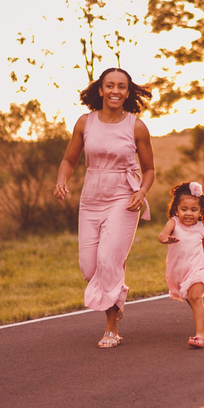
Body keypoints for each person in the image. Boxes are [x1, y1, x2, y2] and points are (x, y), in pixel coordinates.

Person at [55, 67, 155, 348]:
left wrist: (142, 191)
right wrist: (61, 181)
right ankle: (116, 298)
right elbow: (69, 161)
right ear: (100, 89)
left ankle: (111, 328)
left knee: (108, 260)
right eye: (109, 85)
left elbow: (149, 169)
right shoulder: (84, 123)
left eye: (121, 87)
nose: (115, 91)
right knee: (89, 268)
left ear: (128, 92)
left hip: (123, 198)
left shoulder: (136, 126)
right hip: (91, 200)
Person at [157, 181, 204, 348]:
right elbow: (162, 235)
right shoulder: (174, 223)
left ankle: (200, 336)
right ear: (176, 209)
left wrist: (197, 263)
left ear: (201, 212)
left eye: (193, 210)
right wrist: (166, 239)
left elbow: (201, 247)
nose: (188, 213)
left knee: (194, 296)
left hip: (197, 267)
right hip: (178, 270)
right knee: (190, 298)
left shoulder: (201, 228)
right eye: (184, 209)